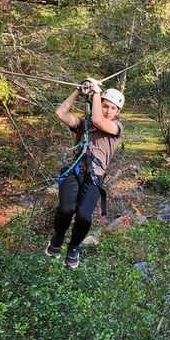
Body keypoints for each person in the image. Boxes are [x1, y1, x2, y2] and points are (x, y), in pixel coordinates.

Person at [45, 79, 124, 268]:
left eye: (113, 108)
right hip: (75, 172)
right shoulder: (84, 124)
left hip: (94, 178)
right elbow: (60, 113)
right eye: (105, 106)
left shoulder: (116, 128)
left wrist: (96, 92)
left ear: (118, 112)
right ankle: (58, 238)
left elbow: (99, 120)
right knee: (65, 210)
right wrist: (77, 91)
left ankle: (74, 247)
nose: (108, 111)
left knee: (83, 216)